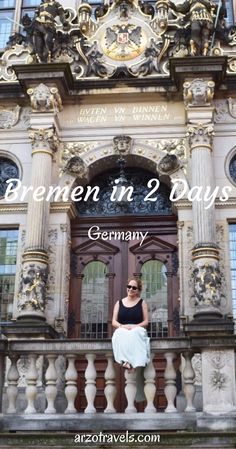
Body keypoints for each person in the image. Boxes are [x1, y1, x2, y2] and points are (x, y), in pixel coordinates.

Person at [112, 277, 150, 372]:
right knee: (118, 333)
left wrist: (135, 326)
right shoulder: (119, 303)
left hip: (137, 328)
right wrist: (122, 326)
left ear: (138, 290)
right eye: (129, 286)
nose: (131, 289)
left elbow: (146, 321)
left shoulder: (142, 303)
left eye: (134, 288)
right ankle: (125, 362)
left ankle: (136, 363)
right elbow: (113, 321)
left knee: (136, 332)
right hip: (123, 329)